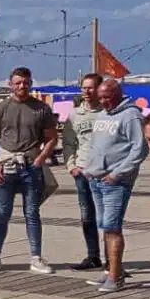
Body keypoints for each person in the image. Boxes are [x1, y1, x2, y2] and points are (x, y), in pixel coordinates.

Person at [0, 67, 57, 274]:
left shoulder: (42, 109)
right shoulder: (0, 108)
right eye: (18, 83)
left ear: (31, 84)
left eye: (25, 82)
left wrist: (41, 158)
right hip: (6, 167)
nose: (22, 86)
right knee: (2, 213)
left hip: (31, 167)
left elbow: (51, 138)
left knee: (32, 212)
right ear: (10, 84)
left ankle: (36, 257)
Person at [83, 78, 148, 293]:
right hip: (95, 179)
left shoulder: (130, 116)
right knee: (104, 226)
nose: (103, 102)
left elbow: (140, 149)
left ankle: (116, 277)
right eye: (100, 98)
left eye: (107, 98)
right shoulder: (102, 114)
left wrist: (118, 174)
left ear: (118, 94)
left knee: (112, 227)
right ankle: (111, 269)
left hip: (115, 183)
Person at [61, 73, 104, 271]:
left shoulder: (108, 112)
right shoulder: (75, 115)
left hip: (105, 173)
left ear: (99, 89)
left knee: (108, 218)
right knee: (87, 216)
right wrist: (72, 166)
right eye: (84, 88)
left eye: (91, 87)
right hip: (83, 172)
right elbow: (69, 143)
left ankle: (113, 259)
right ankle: (93, 255)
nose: (87, 92)